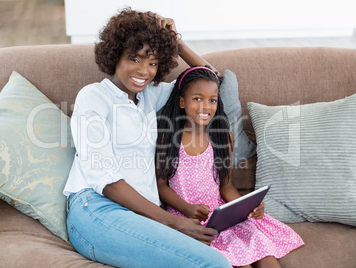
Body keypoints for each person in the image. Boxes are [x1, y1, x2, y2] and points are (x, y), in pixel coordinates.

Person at [63, 7, 232, 268]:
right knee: (214, 264)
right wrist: (177, 223)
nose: (144, 71)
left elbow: (211, 79)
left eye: (152, 62)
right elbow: (106, 181)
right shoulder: (94, 97)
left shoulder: (150, 97)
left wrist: (177, 43)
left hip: (144, 216)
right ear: (114, 55)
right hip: (97, 209)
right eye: (135, 58)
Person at [155, 66, 305, 268]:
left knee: (264, 252)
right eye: (197, 98)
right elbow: (161, 185)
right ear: (182, 102)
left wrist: (248, 207)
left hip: (221, 216)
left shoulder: (223, 139)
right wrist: (187, 209)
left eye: (212, 100)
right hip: (186, 217)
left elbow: (226, 187)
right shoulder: (168, 138)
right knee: (238, 263)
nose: (205, 106)